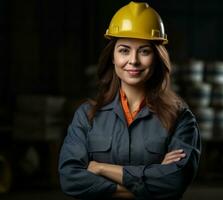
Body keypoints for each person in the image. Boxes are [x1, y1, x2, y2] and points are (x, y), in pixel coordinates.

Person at [58, 1, 201, 200]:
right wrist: (149, 183)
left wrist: (100, 168)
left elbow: (174, 182)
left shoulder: (180, 119)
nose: (133, 60)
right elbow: (69, 178)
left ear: (157, 57)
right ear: (113, 57)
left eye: (144, 51)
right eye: (124, 50)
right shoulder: (87, 116)